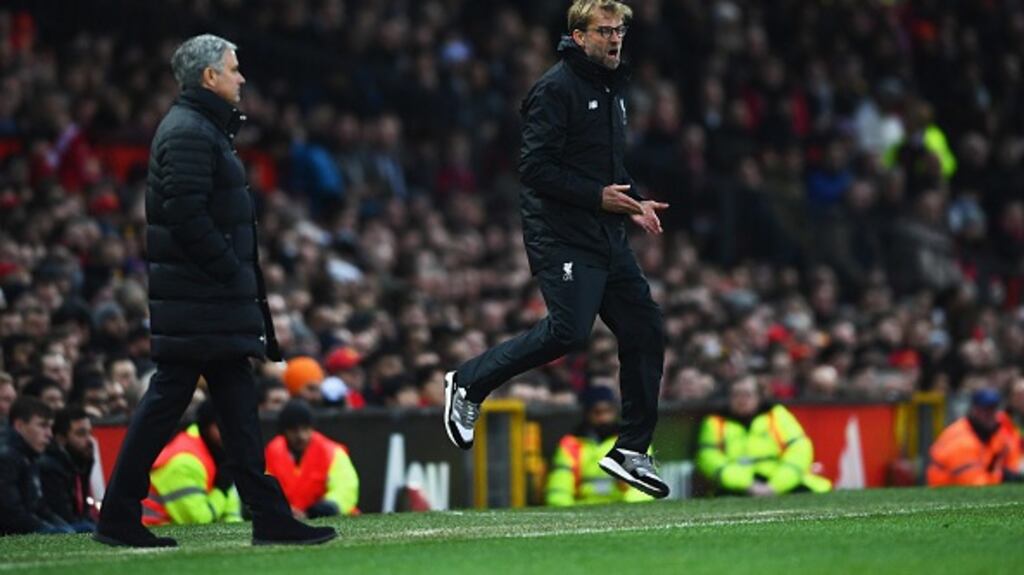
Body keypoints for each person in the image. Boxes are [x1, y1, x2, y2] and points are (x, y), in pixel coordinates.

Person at [94, 34, 335, 548]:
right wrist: (230, 270)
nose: (241, 77)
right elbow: (185, 213)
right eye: (233, 68)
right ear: (209, 76)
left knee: (237, 409)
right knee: (169, 401)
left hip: (204, 300)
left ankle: (268, 515)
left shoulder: (200, 128)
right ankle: (117, 515)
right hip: (200, 299)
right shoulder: (189, 131)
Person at [443, 0, 670, 499]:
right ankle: (468, 383)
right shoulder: (556, 88)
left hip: (605, 233)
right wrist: (597, 197)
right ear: (579, 36)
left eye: (619, 30)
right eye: (604, 31)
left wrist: (633, 202)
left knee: (646, 327)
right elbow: (534, 169)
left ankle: (632, 449)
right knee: (569, 330)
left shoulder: (611, 89)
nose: (615, 39)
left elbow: (605, 167)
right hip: (562, 233)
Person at [696, 376, 832, 496]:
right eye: (736, 395)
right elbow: (708, 458)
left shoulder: (777, 415)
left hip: (779, 482)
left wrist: (776, 486)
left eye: (747, 394)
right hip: (736, 488)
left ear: (758, 397)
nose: (742, 400)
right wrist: (747, 484)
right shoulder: (715, 423)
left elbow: (800, 450)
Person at [546, 386, 652, 506]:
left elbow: (643, 485)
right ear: (586, 413)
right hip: (582, 508)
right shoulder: (571, 444)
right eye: (597, 412)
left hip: (621, 505)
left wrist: (628, 508)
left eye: (608, 411)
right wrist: (570, 512)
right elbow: (559, 489)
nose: (604, 418)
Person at [141, 401, 241, 526]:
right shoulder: (184, 462)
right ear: (209, 426)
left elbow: (232, 517)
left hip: (171, 532)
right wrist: (221, 491)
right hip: (154, 529)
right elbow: (197, 521)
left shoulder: (215, 454)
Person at [264, 400, 359, 518]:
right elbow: (262, 491)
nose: (301, 436)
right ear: (284, 431)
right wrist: (282, 510)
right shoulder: (271, 453)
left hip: (327, 518)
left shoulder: (332, 452)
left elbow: (345, 488)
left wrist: (321, 510)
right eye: (294, 430)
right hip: (284, 517)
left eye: (305, 429)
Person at [0, 397, 74, 535]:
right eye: (42, 426)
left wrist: (67, 529)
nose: (49, 434)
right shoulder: (6, 458)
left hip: (28, 527)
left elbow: (39, 507)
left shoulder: (30, 455)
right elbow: (10, 513)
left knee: (85, 529)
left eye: (50, 427)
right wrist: (50, 530)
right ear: (19, 426)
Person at [927, 388, 1022, 486]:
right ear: (974, 410)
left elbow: (1013, 458)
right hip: (946, 490)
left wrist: (1012, 473)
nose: (990, 415)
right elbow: (974, 483)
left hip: (973, 481)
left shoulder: (991, 432)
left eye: (993, 409)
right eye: (985, 410)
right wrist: (1001, 477)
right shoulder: (962, 441)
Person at [39, 405, 99, 532]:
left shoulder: (81, 460)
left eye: (90, 433)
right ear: (61, 439)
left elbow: (84, 509)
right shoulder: (49, 466)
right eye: (81, 434)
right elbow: (62, 515)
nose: (89, 440)